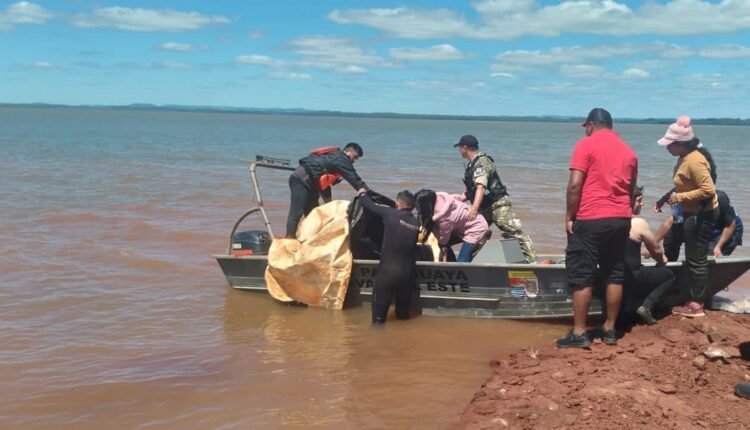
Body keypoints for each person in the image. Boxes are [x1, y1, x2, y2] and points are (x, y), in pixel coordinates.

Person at [557, 108, 638, 348]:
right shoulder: (630, 152)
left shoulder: (586, 144)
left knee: (581, 274)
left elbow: (574, 186)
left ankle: (580, 332)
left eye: (586, 127)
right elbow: (631, 190)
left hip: (591, 217)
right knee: (614, 272)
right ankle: (610, 329)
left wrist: (569, 217)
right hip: (621, 219)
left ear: (591, 125)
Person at [653, 116, 718, 318]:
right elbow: (684, 183)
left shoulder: (695, 160)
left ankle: (697, 304)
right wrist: (665, 198)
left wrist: (679, 197)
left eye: (669, 145)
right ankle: (671, 291)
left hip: (700, 214)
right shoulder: (684, 158)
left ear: (680, 144)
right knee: (678, 248)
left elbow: (708, 189)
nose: (667, 148)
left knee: (695, 259)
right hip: (688, 212)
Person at [454, 135, 537, 263]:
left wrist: (474, 209)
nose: (459, 150)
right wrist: (458, 199)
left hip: (498, 205)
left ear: (465, 147)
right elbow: (472, 190)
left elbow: (481, 187)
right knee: (474, 233)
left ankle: (532, 263)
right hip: (486, 207)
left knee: (513, 233)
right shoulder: (472, 164)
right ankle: (465, 263)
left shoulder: (482, 162)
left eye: (459, 147)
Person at [358, 190, 420, 324]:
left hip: (387, 275)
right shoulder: (416, 223)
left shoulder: (390, 213)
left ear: (397, 202)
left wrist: (362, 193)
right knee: (403, 319)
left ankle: (379, 341)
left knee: (378, 323)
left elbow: (369, 205)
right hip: (407, 276)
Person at [285, 143, 368, 238]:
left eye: (357, 159)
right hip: (299, 180)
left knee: (312, 213)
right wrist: (363, 189)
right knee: (296, 212)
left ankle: (308, 238)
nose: (355, 160)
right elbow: (352, 176)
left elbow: (325, 184)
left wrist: (329, 204)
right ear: (347, 151)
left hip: (312, 184)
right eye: (355, 157)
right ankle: (289, 239)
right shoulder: (341, 158)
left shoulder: (333, 159)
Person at [626, 186, 675, 325]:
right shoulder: (638, 223)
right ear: (629, 201)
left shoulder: (609, 221)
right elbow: (656, 250)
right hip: (633, 275)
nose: (642, 204)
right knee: (668, 275)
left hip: (614, 274)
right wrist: (662, 259)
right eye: (639, 200)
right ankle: (647, 306)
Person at [652, 189, 742, 259]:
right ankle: (671, 265)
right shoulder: (681, 196)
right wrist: (652, 246)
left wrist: (719, 246)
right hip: (702, 226)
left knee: (707, 257)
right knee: (672, 233)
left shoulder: (720, 198)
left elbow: (731, 225)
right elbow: (671, 222)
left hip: (726, 229)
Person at [414, 189, 489, 262]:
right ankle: (451, 262)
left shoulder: (444, 218)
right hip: (463, 227)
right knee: (443, 243)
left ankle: (452, 266)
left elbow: (443, 241)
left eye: (419, 207)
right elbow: (458, 197)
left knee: (462, 263)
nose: (418, 210)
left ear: (426, 206)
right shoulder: (440, 198)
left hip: (477, 229)